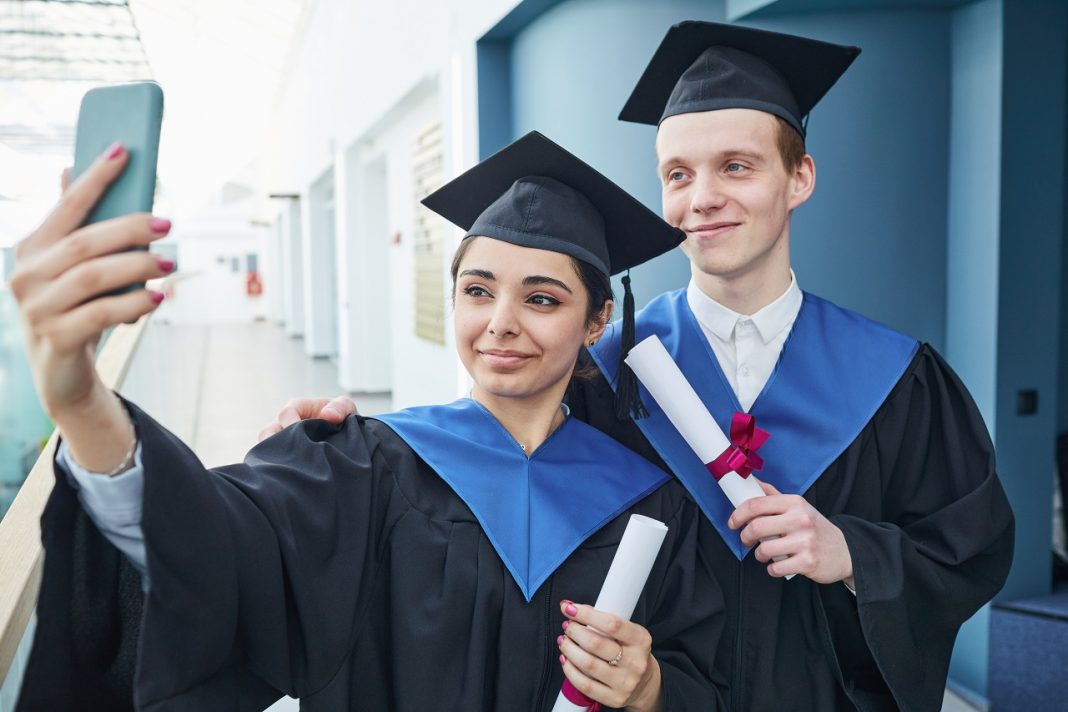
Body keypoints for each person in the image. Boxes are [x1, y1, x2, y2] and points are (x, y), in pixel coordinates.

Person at [274, 23, 1016, 711]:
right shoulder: (604, 372)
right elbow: (490, 485)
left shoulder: (893, 376)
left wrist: (852, 551)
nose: (703, 199)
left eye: (736, 166)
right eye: (678, 174)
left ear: (800, 178)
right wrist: (354, 454)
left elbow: (969, 546)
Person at [12, 131, 725, 710]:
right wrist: (80, 402)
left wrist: (652, 689)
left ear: (598, 320)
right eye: (478, 291)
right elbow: (202, 539)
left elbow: (708, 676)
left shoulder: (647, 502)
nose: (500, 324)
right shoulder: (365, 464)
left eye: (542, 300)